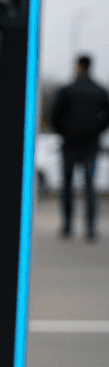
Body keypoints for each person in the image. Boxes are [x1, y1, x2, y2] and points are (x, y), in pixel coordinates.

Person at [49, 54, 109, 240]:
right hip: (91, 144)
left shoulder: (67, 90)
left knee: (67, 186)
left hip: (70, 144)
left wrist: (64, 132)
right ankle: (90, 229)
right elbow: (107, 117)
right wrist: (96, 131)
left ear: (78, 66)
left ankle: (67, 227)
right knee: (89, 187)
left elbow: (53, 115)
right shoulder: (99, 90)